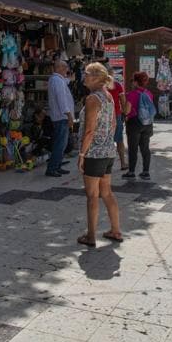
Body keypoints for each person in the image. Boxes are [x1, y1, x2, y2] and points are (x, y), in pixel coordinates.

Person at [76, 63, 122, 247]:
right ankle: (115, 230)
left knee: (92, 196)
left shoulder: (92, 99)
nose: (84, 77)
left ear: (95, 77)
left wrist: (81, 154)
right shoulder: (108, 96)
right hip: (108, 151)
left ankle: (91, 236)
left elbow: (89, 130)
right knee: (107, 192)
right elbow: (113, 124)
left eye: (86, 74)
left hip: (94, 153)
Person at [123, 72, 154, 180]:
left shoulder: (132, 94)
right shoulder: (149, 93)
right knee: (145, 148)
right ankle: (146, 172)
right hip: (147, 123)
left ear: (136, 82)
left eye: (133, 81)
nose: (132, 83)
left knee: (133, 148)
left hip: (134, 123)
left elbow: (127, 110)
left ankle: (131, 171)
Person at [46, 59, 74, 177]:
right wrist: (68, 115)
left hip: (60, 117)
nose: (67, 70)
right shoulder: (57, 80)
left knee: (62, 143)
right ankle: (52, 168)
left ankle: (57, 166)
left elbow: (65, 82)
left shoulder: (57, 80)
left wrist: (70, 79)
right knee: (60, 144)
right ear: (59, 68)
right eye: (65, 67)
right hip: (61, 117)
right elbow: (61, 99)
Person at [105, 65, 128, 171]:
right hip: (116, 114)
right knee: (119, 140)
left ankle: (105, 164)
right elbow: (123, 101)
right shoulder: (117, 85)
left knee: (105, 140)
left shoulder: (101, 86)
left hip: (104, 116)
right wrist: (125, 113)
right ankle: (123, 163)